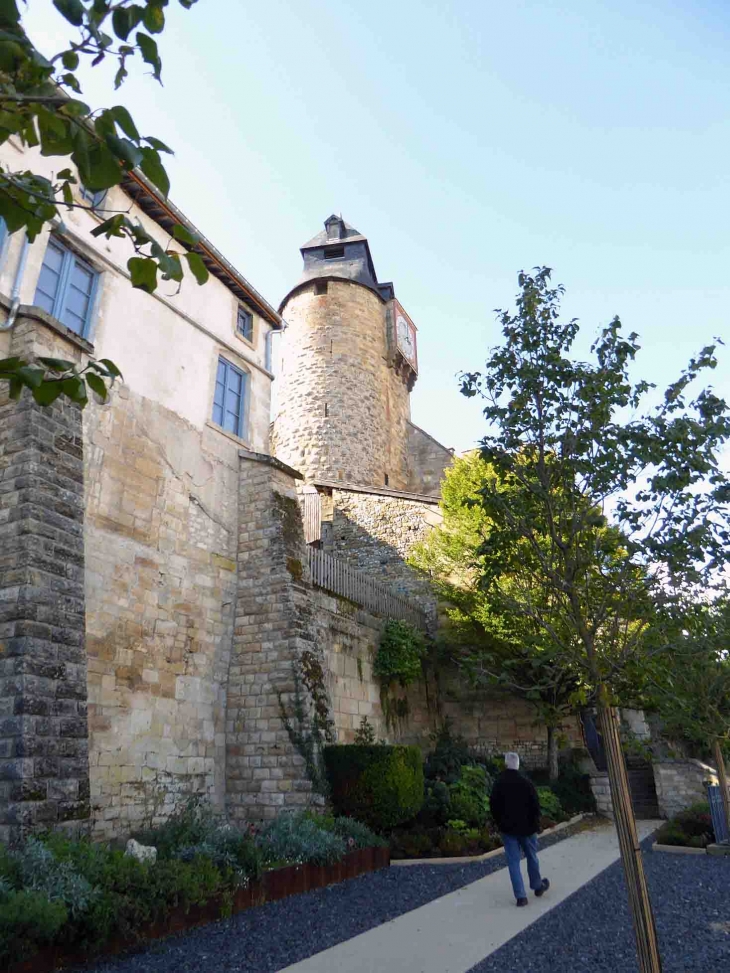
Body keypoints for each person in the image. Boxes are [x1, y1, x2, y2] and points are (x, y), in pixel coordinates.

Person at [489, 752, 550, 907]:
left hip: (508, 829)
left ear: (505, 764)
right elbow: (535, 806)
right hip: (528, 828)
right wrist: (536, 823)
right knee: (532, 856)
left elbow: (493, 806)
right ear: (518, 765)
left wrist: (499, 822)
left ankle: (521, 897)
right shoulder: (526, 783)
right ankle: (537, 886)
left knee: (513, 862)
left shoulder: (499, 783)